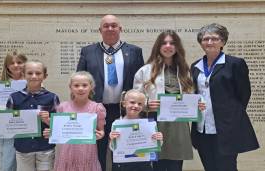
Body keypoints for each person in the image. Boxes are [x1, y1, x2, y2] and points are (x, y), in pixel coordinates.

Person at [76, 14, 144, 171]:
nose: (110, 28)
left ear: (120, 29)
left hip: (124, 110)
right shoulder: (88, 51)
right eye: (106, 26)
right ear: (100, 30)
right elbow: (79, 79)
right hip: (96, 110)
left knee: (122, 149)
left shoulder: (134, 51)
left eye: (114, 25)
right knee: (97, 149)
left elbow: (140, 83)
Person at [190, 23, 259, 171]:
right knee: (209, 166)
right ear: (200, 42)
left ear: (223, 42)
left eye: (214, 39)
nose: (209, 42)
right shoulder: (195, 66)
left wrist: (230, 114)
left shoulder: (235, 64)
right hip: (202, 128)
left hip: (226, 128)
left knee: (226, 167)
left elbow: (244, 94)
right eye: (205, 38)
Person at [133, 30, 193, 171]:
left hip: (179, 124)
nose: (168, 46)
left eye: (172, 43)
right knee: (156, 164)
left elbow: (191, 96)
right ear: (158, 46)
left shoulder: (185, 70)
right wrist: (146, 104)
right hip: (155, 121)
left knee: (176, 165)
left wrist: (197, 105)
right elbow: (135, 98)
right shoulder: (145, 70)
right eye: (164, 43)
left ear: (177, 47)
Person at [43, 71, 106, 171]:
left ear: (91, 87)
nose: (80, 88)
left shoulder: (97, 108)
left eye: (84, 85)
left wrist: (100, 134)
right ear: (70, 88)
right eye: (76, 85)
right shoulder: (63, 107)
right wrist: (51, 132)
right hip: (66, 154)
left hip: (87, 154)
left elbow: (101, 131)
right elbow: (58, 130)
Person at [6, 60, 60, 171]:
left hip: (45, 148)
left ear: (45, 76)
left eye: (38, 73)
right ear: (23, 75)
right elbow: (6, 123)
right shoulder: (14, 97)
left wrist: (48, 120)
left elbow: (59, 126)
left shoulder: (52, 97)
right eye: (30, 73)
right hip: (22, 148)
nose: (34, 76)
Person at [0, 51, 27, 171]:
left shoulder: (32, 80)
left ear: (25, 63)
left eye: (19, 62)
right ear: (7, 66)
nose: (16, 65)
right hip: (6, 127)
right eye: (12, 63)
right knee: (6, 163)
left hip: (26, 127)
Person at [109, 89, 163, 171]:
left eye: (140, 104)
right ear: (124, 104)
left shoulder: (148, 125)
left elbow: (155, 146)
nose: (136, 106)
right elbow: (113, 149)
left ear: (143, 106)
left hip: (143, 164)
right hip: (123, 164)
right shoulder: (117, 124)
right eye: (132, 102)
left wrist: (159, 139)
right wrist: (112, 140)